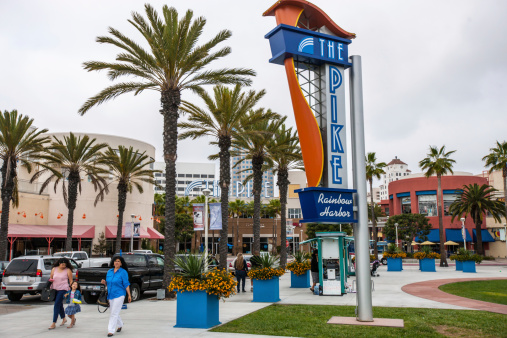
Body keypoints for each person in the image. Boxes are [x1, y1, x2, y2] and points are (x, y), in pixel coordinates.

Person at [101, 256, 132, 337]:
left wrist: (129, 295)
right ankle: (120, 324)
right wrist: (104, 282)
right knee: (113, 312)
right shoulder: (109, 272)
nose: (116, 262)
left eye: (118, 261)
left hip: (120, 294)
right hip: (111, 295)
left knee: (114, 313)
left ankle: (110, 330)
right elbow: (109, 283)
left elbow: (126, 284)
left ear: (121, 263)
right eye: (115, 261)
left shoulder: (123, 272)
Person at [48, 258, 73, 330]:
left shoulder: (68, 270)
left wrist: (72, 290)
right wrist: (50, 281)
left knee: (56, 304)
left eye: (65, 265)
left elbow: (71, 281)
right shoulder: (54, 269)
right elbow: (51, 278)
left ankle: (53, 323)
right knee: (59, 304)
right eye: (62, 264)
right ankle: (64, 318)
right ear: (59, 263)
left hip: (63, 289)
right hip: (54, 288)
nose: (63, 266)